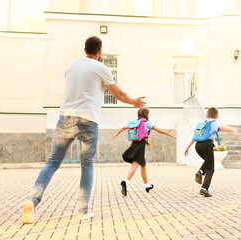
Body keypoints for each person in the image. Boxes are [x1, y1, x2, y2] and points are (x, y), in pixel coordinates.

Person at [21, 36, 146, 224]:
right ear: (100, 51)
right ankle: (83, 210)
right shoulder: (101, 68)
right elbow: (118, 94)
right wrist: (134, 102)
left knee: (53, 162)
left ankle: (33, 200)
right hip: (88, 120)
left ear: (84, 49)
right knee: (86, 165)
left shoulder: (71, 67)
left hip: (65, 118)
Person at [112, 107, 176, 196]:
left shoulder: (135, 123)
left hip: (134, 144)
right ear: (146, 114)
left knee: (143, 166)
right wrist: (170, 135)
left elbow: (123, 127)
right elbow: (160, 130)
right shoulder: (147, 123)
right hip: (140, 146)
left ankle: (147, 185)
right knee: (135, 164)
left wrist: (117, 134)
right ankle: (125, 182)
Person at [184, 107, 239, 197]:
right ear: (217, 116)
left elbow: (194, 137)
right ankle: (204, 189)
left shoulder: (202, 124)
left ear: (206, 115)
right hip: (207, 145)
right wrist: (233, 129)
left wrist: (187, 148)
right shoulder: (214, 123)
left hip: (198, 146)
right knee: (211, 168)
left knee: (208, 161)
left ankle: (201, 172)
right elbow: (222, 127)